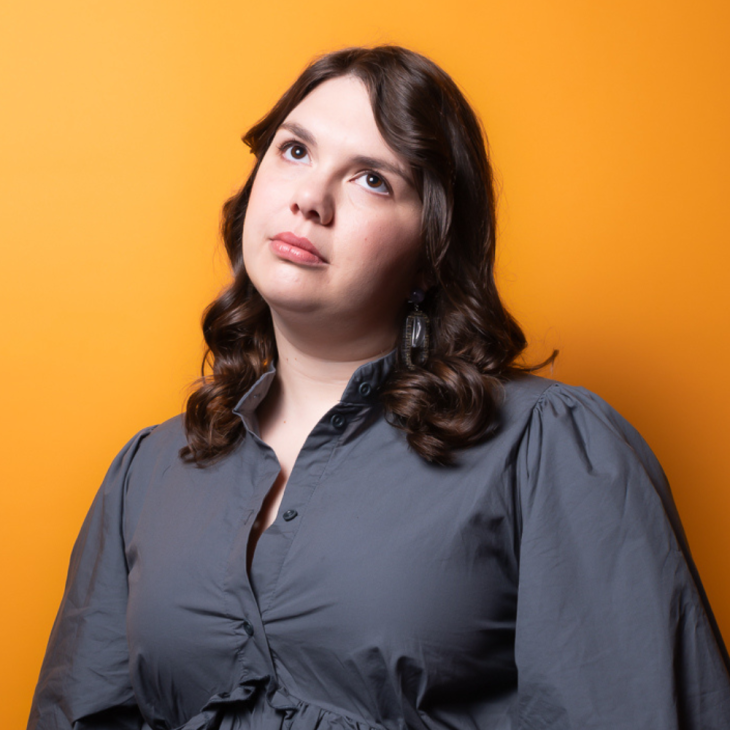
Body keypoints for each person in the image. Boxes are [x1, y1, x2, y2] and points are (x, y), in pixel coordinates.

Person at [28, 45, 730, 730]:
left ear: (432, 251)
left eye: (373, 179)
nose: (309, 198)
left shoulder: (547, 447)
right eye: (294, 150)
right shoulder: (148, 474)